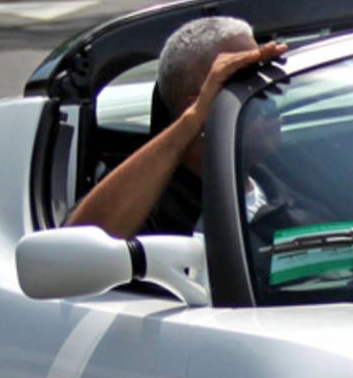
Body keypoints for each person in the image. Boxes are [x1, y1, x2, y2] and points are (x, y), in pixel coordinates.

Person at [66, 15, 287, 238]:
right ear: (201, 106)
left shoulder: (289, 178)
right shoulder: (156, 208)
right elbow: (75, 249)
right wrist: (191, 120)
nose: (265, 96)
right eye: (244, 82)